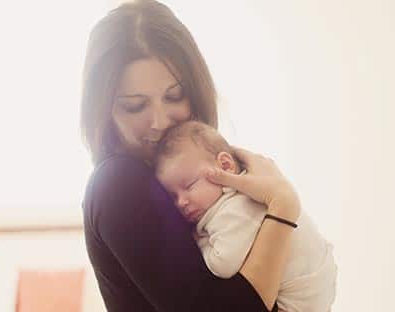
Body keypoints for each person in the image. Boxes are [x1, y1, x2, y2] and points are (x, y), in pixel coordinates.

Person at [80, 1, 300, 311]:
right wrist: (283, 207)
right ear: (104, 111)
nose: (160, 122)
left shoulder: (185, 175)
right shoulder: (119, 184)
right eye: (135, 106)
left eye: (174, 96)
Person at [154, 121, 337, 311]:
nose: (181, 202)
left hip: (300, 300)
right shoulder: (249, 193)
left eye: (189, 185)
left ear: (225, 165)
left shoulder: (233, 207)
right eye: (173, 197)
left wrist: (200, 243)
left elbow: (224, 264)